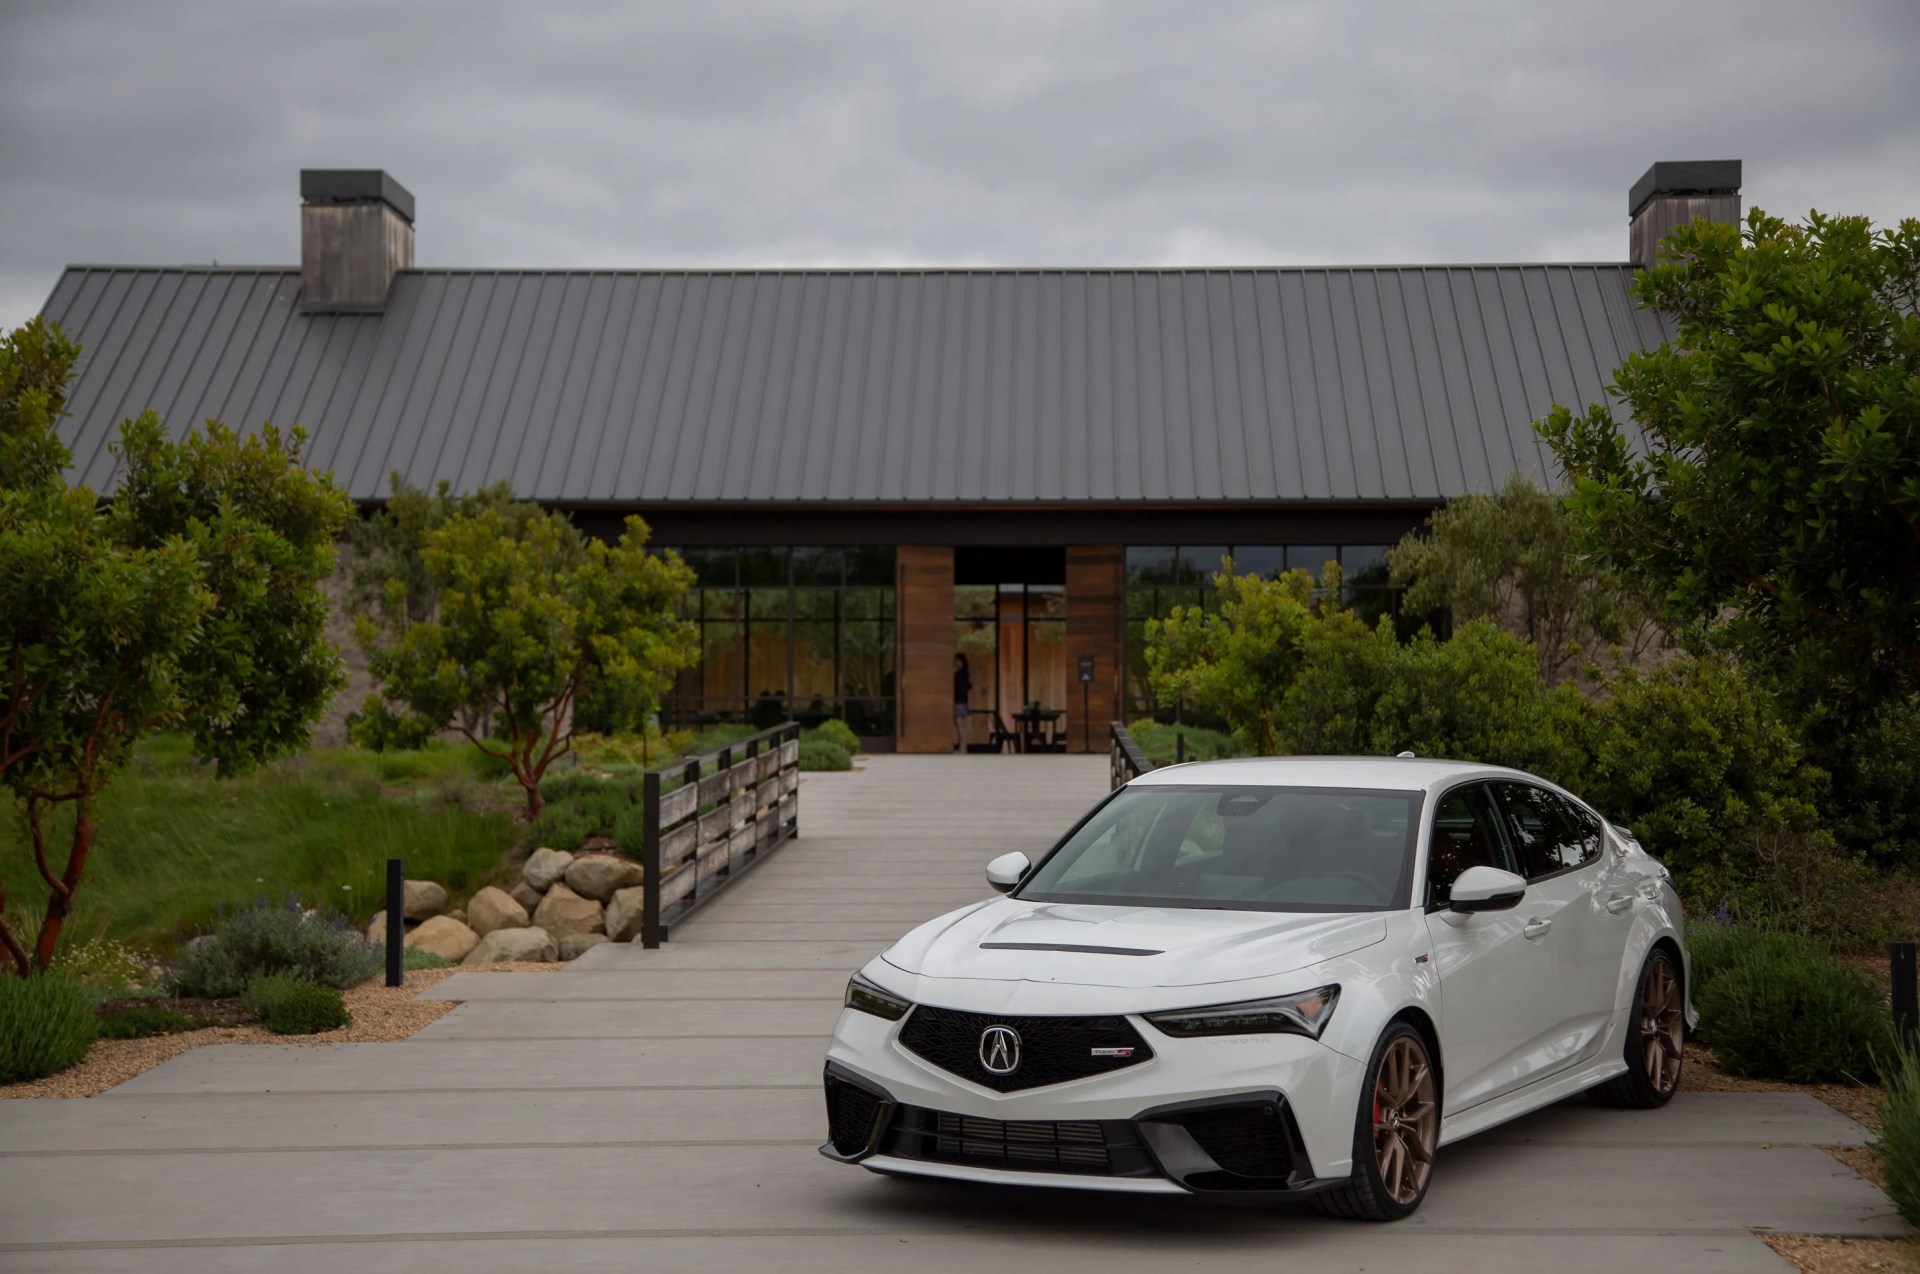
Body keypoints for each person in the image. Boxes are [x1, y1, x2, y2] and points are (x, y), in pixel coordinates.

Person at [952, 653, 973, 752]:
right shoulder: (965, 673)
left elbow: (957, 688)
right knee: (962, 726)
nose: (954, 662)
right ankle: (963, 747)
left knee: (960, 726)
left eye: (955, 660)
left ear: (959, 661)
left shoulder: (959, 674)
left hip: (959, 702)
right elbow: (969, 686)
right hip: (964, 701)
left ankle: (963, 747)